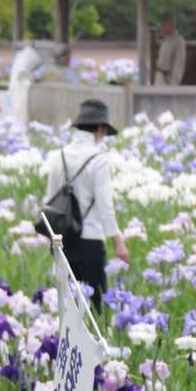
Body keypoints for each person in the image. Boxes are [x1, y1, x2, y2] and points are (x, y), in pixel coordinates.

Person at [42, 98, 128, 310]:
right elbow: (104, 204)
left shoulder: (58, 156)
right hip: (90, 239)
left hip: (62, 240)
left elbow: (49, 201)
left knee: (68, 307)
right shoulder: (98, 159)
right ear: (100, 129)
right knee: (98, 306)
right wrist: (117, 239)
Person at [7, 41, 47, 128]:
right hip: (21, 85)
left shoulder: (21, 55)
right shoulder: (34, 57)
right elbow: (36, 76)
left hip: (16, 84)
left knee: (17, 109)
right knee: (21, 110)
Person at [154, 12, 186, 86]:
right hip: (159, 78)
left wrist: (173, 87)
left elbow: (179, 67)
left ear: (170, 25)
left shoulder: (179, 41)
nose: (161, 28)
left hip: (168, 81)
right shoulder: (165, 39)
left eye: (162, 25)